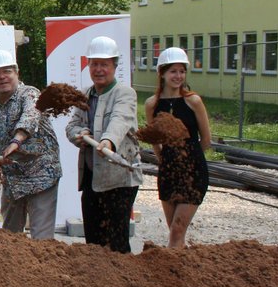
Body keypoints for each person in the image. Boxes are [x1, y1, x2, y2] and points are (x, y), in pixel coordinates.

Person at [66, 36, 142, 253]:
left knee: (116, 240)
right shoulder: (85, 94)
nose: (98, 69)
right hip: (92, 177)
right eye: (94, 64)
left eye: (104, 64)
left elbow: (120, 120)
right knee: (93, 239)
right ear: (88, 66)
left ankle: (123, 273)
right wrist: (79, 134)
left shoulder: (124, 93)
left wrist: (108, 141)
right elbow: (72, 125)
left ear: (114, 66)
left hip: (119, 177)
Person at [0, 50, 61, 239]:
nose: (2, 77)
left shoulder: (30, 93)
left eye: (7, 71)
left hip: (40, 173)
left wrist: (16, 141)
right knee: (10, 235)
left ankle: (42, 258)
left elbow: (30, 117)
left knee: (41, 237)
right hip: (11, 177)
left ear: (16, 73)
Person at [144, 47, 212, 248]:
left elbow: (206, 139)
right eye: (173, 71)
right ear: (162, 73)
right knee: (174, 231)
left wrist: (190, 159)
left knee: (177, 229)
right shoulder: (152, 104)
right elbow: (154, 138)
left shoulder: (193, 101)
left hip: (193, 172)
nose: (178, 76)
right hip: (168, 172)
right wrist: (163, 158)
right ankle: (179, 265)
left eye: (182, 71)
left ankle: (174, 265)